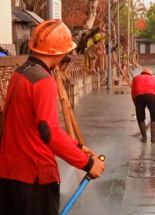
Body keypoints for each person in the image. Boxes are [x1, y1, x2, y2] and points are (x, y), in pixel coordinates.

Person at [0, 19, 105, 215]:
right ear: (57, 52)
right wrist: (88, 164)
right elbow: (49, 132)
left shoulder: (19, 74)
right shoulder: (43, 81)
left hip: (8, 176)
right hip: (35, 180)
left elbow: (37, 126)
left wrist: (78, 147)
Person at [131, 68, 155, 143]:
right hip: (151, 96)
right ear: (150, 74)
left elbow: (133, 93)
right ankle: (154, 138)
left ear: (142, 73)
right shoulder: (154, 79)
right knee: (154, 117)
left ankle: (144, 138)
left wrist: (137, 104)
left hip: (139, 96)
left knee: (140, 118)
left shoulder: (135, 78)